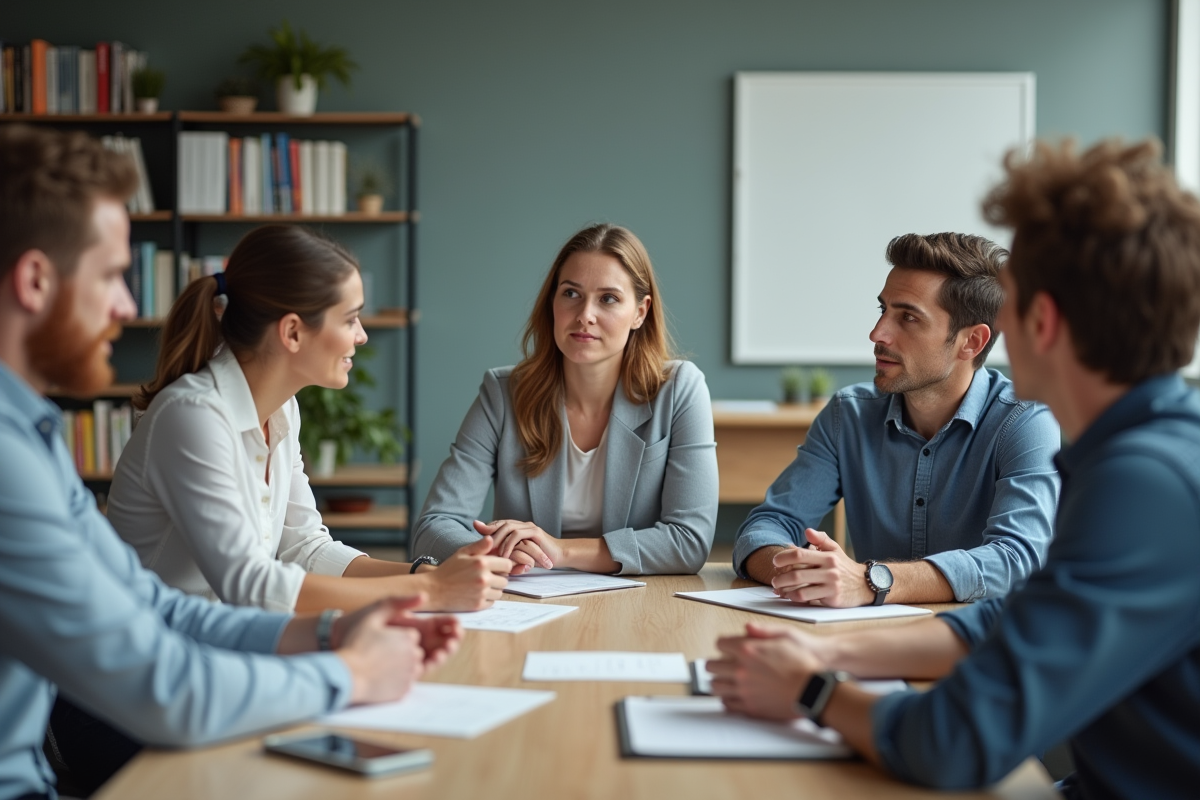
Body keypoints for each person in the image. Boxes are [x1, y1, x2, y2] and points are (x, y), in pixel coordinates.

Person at [709, 138, 1200, 799]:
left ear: (1042, 321)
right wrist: (827, 651)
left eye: (1011, 302)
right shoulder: (1146, 451)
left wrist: (809, 689)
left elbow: (956, 741)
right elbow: (1011, 620)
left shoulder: (1144, 485)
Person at [0, 124, 463, 800]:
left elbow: (156, 605)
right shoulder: (35, 456)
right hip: (114, 718)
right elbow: (170, 680)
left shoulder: (33, 437)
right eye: (110, 276)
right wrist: (354, 668)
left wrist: (333, 630)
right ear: (36, 280)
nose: (128, 304)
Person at [106, 224, 512, 615]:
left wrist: (426, 575)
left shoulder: (282, 409)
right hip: (156, 651)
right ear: (293, 333)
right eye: (350, 319)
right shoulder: (192, 417)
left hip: (228, 640)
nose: (361, 335)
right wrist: (431, 591)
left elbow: (306, 548)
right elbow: (249, 584)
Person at [732, 232, 1061, 607]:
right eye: (882, 310)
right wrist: (803, 572)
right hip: (870, 634)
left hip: (983, 636)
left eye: (908, 317)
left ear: (971, 342)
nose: (877, 334)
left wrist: (872, 581)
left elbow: (1017, 559)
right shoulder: (847, 415)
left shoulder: (1025, 420)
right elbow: (764, 529)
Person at [411, 223, 718, 575]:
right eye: (571, 293)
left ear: (640, 312)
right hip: (524, 596)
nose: (585, 315)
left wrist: (560, 551)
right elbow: (433, 527)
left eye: (608, 298)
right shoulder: (503, 394)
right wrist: (492, 551)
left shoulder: (679, 390)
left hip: (640, 600)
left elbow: (689, 541)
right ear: (552, 302)